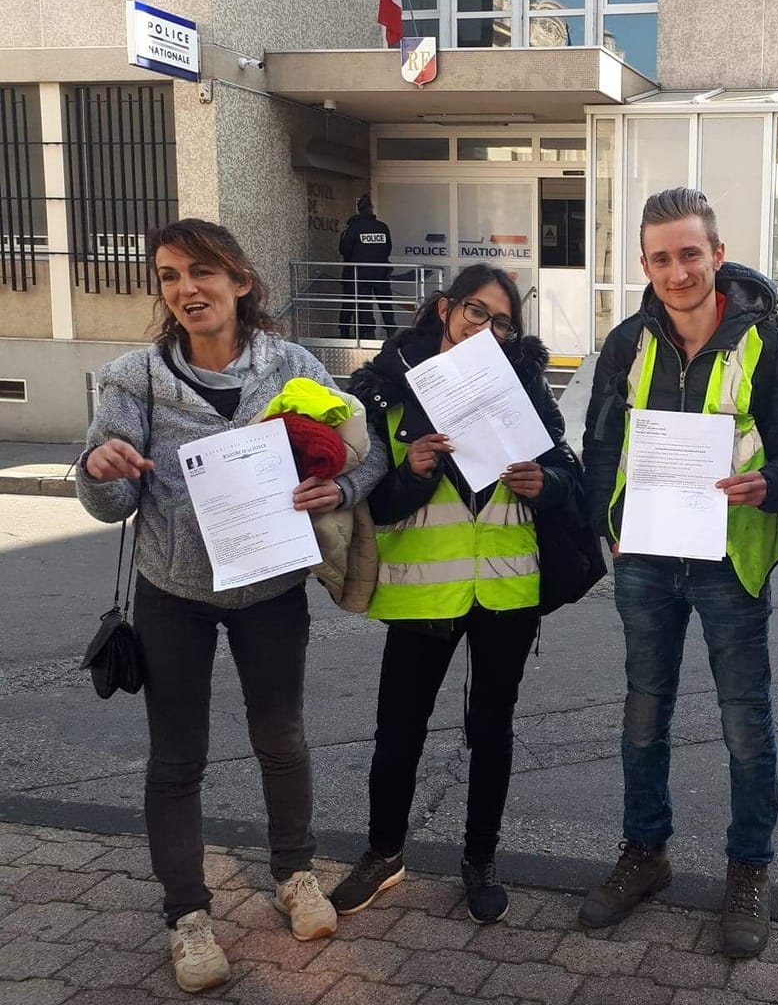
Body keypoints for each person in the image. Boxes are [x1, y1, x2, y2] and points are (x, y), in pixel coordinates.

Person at [76, 219, 389, 994]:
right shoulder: (133, 378)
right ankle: (186, 916)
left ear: (241, 282)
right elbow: (109, 499)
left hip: (270, 588)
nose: (186, 289)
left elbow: (368, 449)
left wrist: (338, 486)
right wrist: (98, 465)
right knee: (177, 759)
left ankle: (294, 875)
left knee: (281, 738)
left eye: (202, 273)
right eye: (170, 276)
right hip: (174, 592)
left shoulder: (294, 366)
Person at [578, 187, 778, 957]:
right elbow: (601, 443)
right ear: (643, 265)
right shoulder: (627, 343)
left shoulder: (771, 346)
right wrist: (609, 527)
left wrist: (770, 486)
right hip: (647, 557)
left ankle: (749, 869)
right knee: (643, 715)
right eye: (660, 258)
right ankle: (644, 854)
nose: (676, 272)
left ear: (717, 254)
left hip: (730, 555)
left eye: (690, 254)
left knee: (746, 723)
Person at [328, 264, 583, 925]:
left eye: (502, 322)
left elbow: (566, 471)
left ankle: (480, 861)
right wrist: (413, 473)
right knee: (397, 735)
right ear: (445, 308)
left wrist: (542, 483)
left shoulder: (524, 384)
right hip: (422, 590)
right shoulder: (389, 386)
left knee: (491, 730)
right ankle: (383, 854)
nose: (487, 329)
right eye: (477, 312)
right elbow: (371, 503)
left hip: (504, 587)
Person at [338, 193, 396, 340]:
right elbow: (388, 249)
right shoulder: (382, 227)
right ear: (371, 208)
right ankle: (391, 331)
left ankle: (367, 333)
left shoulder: (353, 228)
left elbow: (344, 250)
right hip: (380, 273)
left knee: (363, 305)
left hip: (358, 275)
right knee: (385, 303)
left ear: (359, 209)